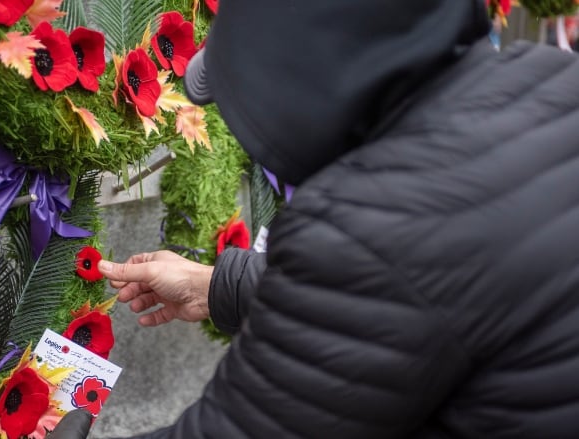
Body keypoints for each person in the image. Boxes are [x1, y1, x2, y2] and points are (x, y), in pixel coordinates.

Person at [94, 0, 579, 437]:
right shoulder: (555, 84)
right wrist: (216, 285)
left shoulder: (371, 223)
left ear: (298, 100)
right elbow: (430, 287)